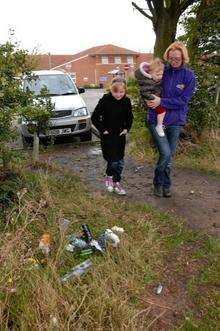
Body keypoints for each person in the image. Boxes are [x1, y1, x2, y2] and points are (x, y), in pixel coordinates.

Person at [145, 41, 196, 198]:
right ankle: (158, 183)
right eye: (171, 58)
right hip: (156, 119)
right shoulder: (162, 71)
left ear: (183, 58)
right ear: (168, 56)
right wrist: (147, 97)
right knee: (165, 153)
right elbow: (145, 81)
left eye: (177, 59)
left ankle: (165, 185)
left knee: (168, 156)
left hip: (175, 121)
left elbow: (183, 101)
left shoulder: (189, 76)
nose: (173, 61)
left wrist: (162, 102)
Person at [91, 77, 133, 195]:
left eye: (121, 92)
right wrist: (103, 130)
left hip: (120, 135)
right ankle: (109, 178)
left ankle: (117, 183)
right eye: (116, 92)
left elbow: (129, 117)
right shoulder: (105, 100)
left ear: (125, 91)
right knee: (113, 161)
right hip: (108, 135)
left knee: (120, 162)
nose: (118, 95)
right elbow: (94, 117)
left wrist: (126, 129)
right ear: (111, 90)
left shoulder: (126, 101)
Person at [135, 58, 166, 137]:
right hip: (152, 101)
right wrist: (154, 98)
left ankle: (159, 125)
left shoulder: (154, 81)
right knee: (162, 112)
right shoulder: (149, 82)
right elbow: (144, 92)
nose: (160, 77)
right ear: (150, 73)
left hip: (155, 101)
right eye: (157, 74)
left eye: (161, 74)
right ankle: (159, 126)